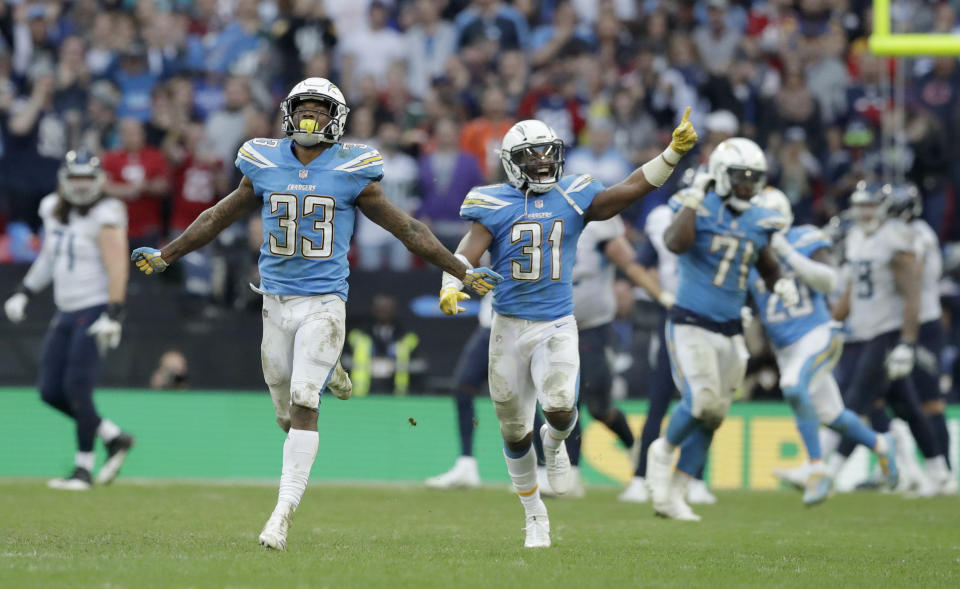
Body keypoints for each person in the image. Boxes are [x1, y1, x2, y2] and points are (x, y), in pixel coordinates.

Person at [129, 77, 502, 551]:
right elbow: (216, 216)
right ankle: (331, 370)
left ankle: (281, 516)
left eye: (320, 110)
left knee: (306, 404)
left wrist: (460, 270)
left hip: (324, 303)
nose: (310, 117)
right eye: (303, 107)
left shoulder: (352, 170)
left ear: (337, 119)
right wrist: (168, 255)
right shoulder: (263, 162)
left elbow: (408, 229)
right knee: (287, 416)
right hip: (274, 302)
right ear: (287, 112)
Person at [438, 110, 699, 547]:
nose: (542, 161)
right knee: (512, 429)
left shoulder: (575, 194)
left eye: (547, 153)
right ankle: (534, 515)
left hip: (557, 322)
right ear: (511, 161)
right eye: (531, 155)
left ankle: (555, 443)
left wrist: (671, 154)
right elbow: (467, 250)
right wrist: (452, 280)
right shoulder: (492, 202)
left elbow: (629, 189)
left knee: (559, 408)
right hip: (507, 325)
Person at [644, 138, 799, 522]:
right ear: (720, 176)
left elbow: (762, 258)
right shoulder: (697, 204)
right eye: (740, 178)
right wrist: (696, 198)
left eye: (753, 179)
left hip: (732, 330)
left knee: (715, 416)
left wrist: (780, 281)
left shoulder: (757, 217)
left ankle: (678, 492)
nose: (747, 186)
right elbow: (674, 242)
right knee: (700, 401)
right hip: (691, 322)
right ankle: (661, 451)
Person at [749, 187, 897, 505]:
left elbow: (828, 281)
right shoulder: (749, 252)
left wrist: (785, 253)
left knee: (792, 386)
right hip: (785, 348)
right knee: (833, 414)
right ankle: (883, 446)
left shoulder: (804, 238)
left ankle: (816, 470)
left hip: (816, 333)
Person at [2, 151, 135, 490]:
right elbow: (49, 257)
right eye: (74, 177)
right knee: (49, 391)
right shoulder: (52, 208)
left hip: (93, 308)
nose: (79, 185)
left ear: (98, 181)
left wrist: (113, 313)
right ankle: (113, 436)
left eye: (86, 178)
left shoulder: (107, 212)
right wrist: (25, 292)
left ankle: (83, 469)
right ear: (64, 178)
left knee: (78, 388)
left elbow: (118, 265)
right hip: (66, 309)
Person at [824, 183, 951, 494]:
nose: (869, 213)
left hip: (904, 327)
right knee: (904, 405)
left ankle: (825, 471)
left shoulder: (902, 235)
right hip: (877, 329)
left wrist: (908, 342)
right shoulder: (860, 238)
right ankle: (937, 473)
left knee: (865, 401)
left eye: (874, 206)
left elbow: (913, 286)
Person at [425, 293, 492, 489]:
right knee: (463, 388)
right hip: (489, 327)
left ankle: (542, 466)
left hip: (514, 326)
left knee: (519, 398)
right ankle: (466, 464)